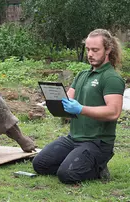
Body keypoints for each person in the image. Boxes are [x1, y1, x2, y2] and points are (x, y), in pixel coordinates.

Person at [32, 29, 125, 184]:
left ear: (108, 49)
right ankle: (76, 163)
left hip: (97, 142)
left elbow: (113, 112)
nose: (90, 54)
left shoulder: (112, 78)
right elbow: (69, 101)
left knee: (67, 175)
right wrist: (55, 103)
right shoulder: (82, 75)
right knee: (40, 164)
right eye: (88, 49)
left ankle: (98, 167)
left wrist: (81, 109)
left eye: (95, 50)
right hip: (73, 138)